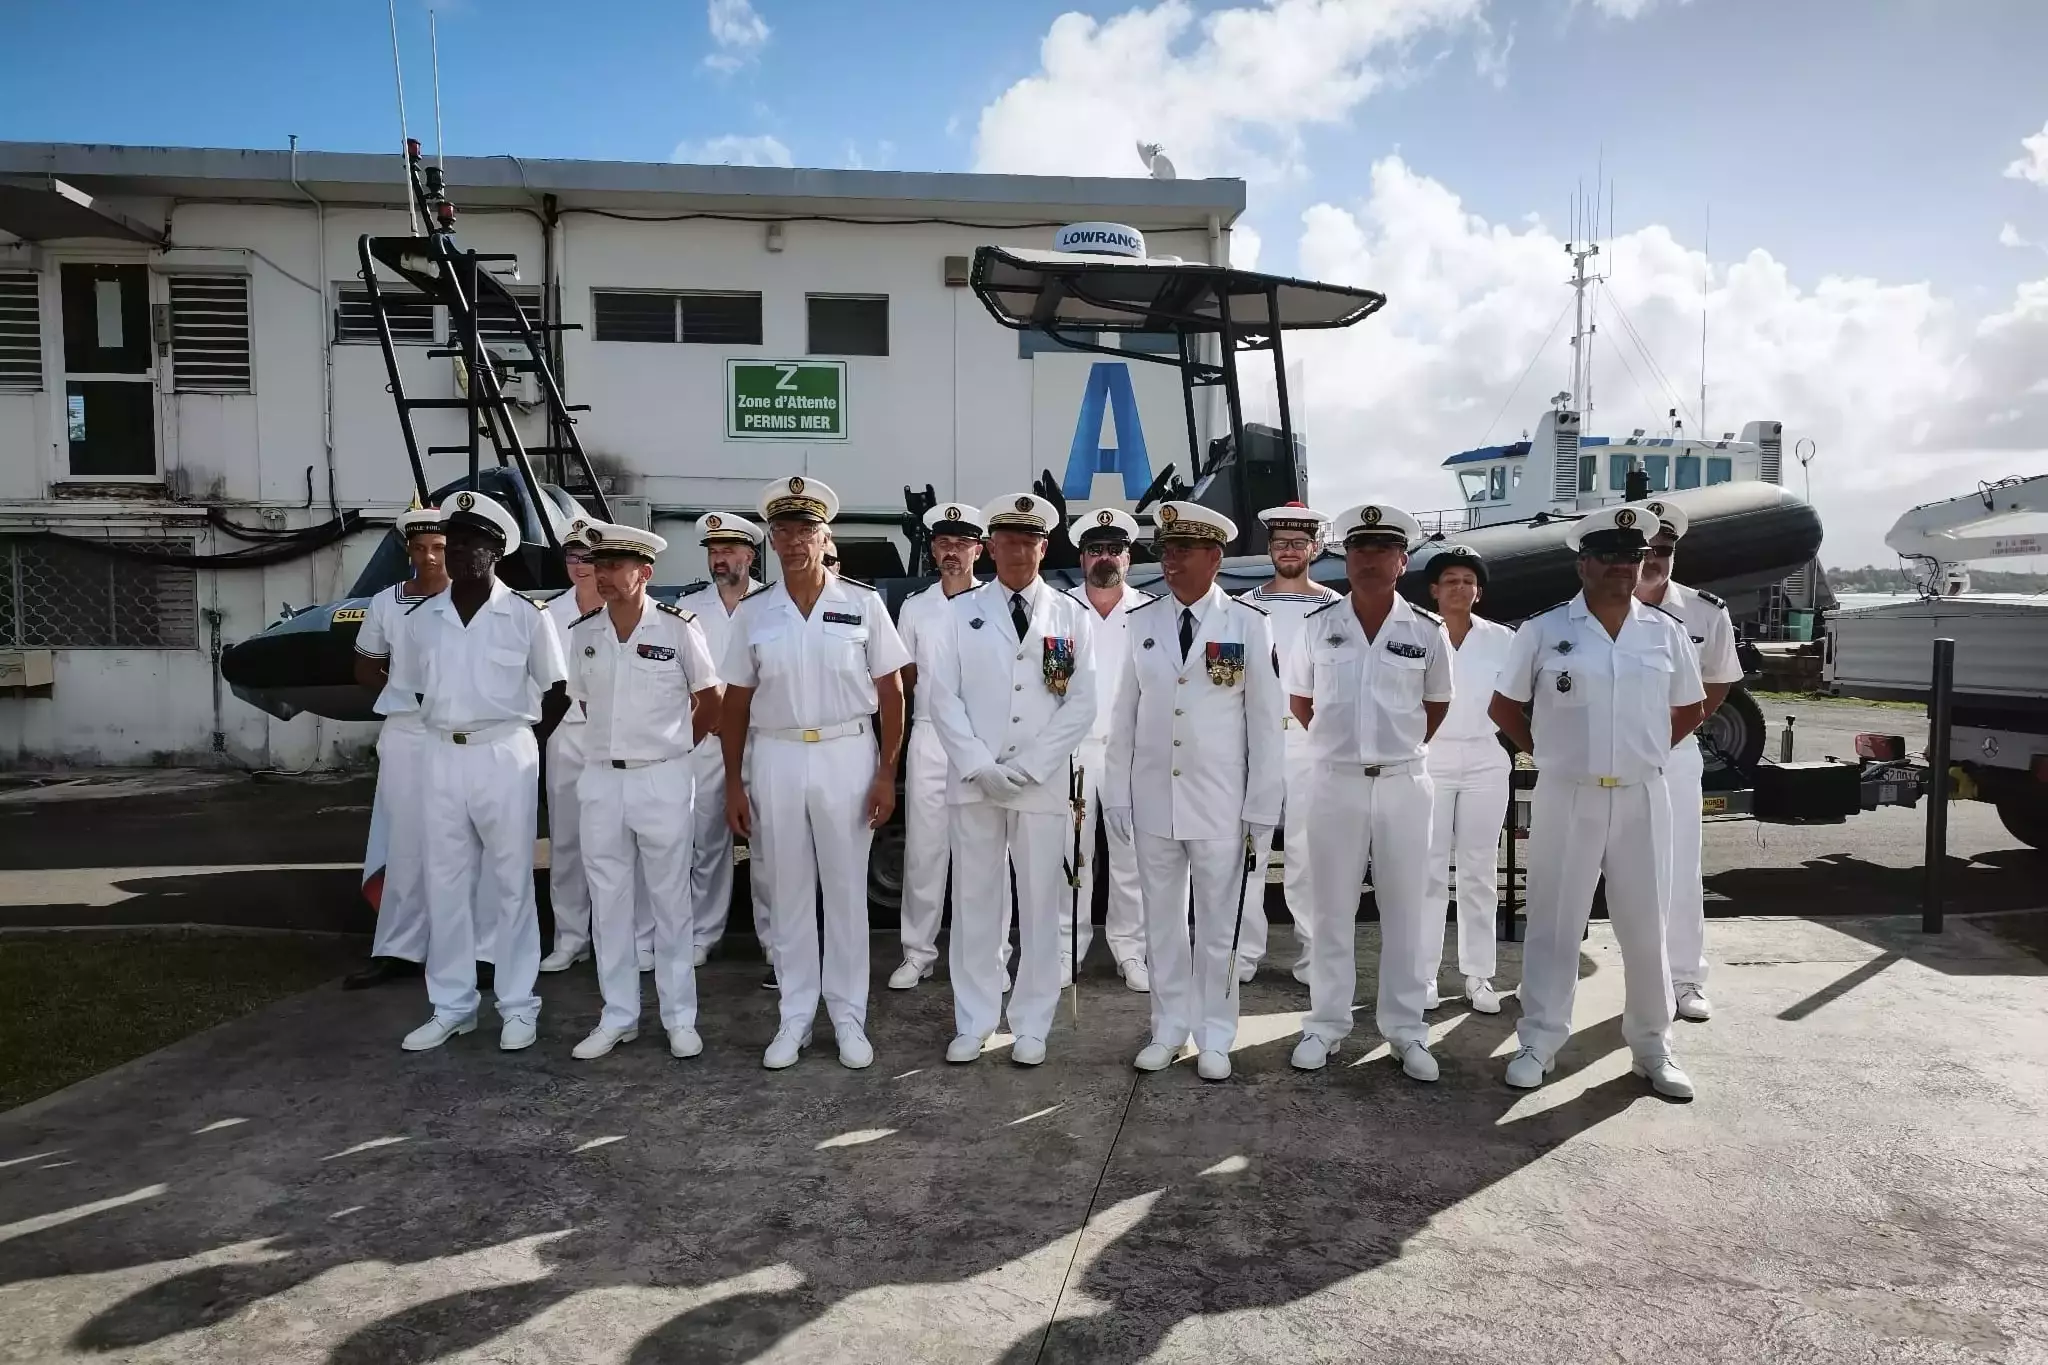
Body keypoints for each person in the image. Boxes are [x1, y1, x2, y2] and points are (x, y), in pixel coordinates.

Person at [1488, 503, 1707, 1099]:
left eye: (1632, 557)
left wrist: (1645, 751)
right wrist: (1549, 753)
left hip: (1642, 795)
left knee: (1647, 925)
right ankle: (1539, 1039)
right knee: (1554, 924)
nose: (1621, 567)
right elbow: (1503, 706)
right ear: (1582, 563)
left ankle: (1653, 1045)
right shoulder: (1543, 631)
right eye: (1608, 556)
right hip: (1568, 794)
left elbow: (1691, 707)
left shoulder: (1665, 632)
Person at [721, 476, 909, 1071]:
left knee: (847, 891)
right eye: (783, 531)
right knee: (788, 890)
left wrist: (886, 771)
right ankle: (795, 1016)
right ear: (771, 540)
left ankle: (849, 1016)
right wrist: (733, 782)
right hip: (776, 755)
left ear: (825, 537)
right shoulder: (755, 612)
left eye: (806, 530)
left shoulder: (862, 603)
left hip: (845, 752)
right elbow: (735, 702)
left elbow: (892, 693)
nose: (794, 541)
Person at [1103, 502, 1282, 1081]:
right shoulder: (1143, 621)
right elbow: (1125, 714)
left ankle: (1216, 1034)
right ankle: (1167, 1027)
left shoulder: (1248, 623)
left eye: (1183, 551)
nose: (1170, 561)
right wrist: (1116, 792)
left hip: (1221, 803)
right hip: (1155, 799)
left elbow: (1265, 723)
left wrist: (1262, 805)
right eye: (1166, 551)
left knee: (1218, 928)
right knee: (1162, 925)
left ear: (1215, 557)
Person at [924, 493, 1097, 1067]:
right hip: (975, 781)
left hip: (1039, 784)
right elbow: (942, 697)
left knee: (1041, 905)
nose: (1018, 551)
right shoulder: (958, 613)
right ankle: (973, 1021)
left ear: (1044, 548)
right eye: (1008, 541)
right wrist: (979, 765)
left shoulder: (1071, 615)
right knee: (975, 904)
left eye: (1029, 541)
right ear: (991, 548)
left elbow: (1081, 703)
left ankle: (1032, 1024)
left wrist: (1030, 766)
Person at [392, 490, 568, 1053]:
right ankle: (452, 1005)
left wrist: (524, 741)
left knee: (511, 883)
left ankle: (517, 1005)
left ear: (498, 552)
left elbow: (558, 691)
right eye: (455, 543)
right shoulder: (423, 619)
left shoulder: (526, 616)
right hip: (442, 753)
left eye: (475, 544)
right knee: (445, 883)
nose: (462, 553)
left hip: (504, 752)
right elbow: (415, 686)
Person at [1285, 503, 1452, 1083]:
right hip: (1335, 782)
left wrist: (1395, 747)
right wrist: (1345, 748)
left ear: (1402, 561)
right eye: (1359, 549)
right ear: (1346, 558)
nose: (1369, 559)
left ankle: (1405, 1029)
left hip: (1404, 783)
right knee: (1331, 909)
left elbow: (1436, 705)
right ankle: (1326, 1025)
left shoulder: (1426, 630)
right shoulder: (1318, 626)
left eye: (1382, 549)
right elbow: (1301, 700)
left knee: (1406, 910)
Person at [564, 522, 723, 1061]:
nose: (603, 575)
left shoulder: (677, 628)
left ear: (645, 572)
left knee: (670, 902)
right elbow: (585, 702)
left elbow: (711, 699)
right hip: (602, 778)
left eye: (615, 565)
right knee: (608, 902)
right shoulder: (584, 633)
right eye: (599, 565)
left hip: (661, 776)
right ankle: (618, 1015)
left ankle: (680, 1017)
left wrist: (674, 748)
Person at [1635, 498, 1742, 1024]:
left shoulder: (1705, 612)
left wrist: (1679, 729)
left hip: (1673, 754)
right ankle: (1565, 978)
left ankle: (1683, 977)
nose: (1653, 559)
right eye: (1644, 549)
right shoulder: (1593, 606)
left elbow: (1718, 679)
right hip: (1605, 753)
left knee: (1679, 866)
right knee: (1587, 866)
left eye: (1664, 549)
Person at [889, 500, 994, 991]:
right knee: (924, 851)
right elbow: (906, 678)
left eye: (962, 544)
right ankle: (918, 953)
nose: (952, 552)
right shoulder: (916, 607)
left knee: (983, 852)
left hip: (980, 737)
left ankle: (988, 955)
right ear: (933, 550)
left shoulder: (995, 602)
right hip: (930, 735)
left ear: (979, 550)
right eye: (944, 543)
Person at [1235, 502, 1340, 984]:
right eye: (1281, 544)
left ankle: (1313, 953)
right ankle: (1242, 951)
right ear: (1270, 549)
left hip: (1309, 742)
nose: (1289, 551)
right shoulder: (1243, 607)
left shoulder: (1336, 609)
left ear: (1314, 548)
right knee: (1246, 853)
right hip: (1254, 743)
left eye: (1299, 543)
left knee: (1308, 855)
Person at [345, 504, 447, 989]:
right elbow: (365, 666)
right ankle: (399, 948)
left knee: (458, 840)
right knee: (402, 841)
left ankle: (461, 948)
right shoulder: (387, 602)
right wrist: (403, 688)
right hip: (407, 730)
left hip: (459, 731)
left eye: (439, 547)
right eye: (420, 547)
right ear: (409, 550)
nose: (429, 557)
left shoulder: (474, 600)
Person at [1420, 545, 1518, 1014]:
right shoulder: (1418, 633)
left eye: (1468, 581)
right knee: (1428, 871)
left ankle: (1479, 975)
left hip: (1484, 756)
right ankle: (1423, 975)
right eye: (1450, 581)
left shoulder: (1503, 640)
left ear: (1478, 592)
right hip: (1431, 756)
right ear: (1434, 590)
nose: (1459, 588)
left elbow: (1519, 699)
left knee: (1479, 870)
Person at [676, 512, 773, 972]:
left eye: (729, 551)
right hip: (711, 739)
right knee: (707, 842)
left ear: (749, 556)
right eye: (714, 551)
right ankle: (703, 933)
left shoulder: (773, 602)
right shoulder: (689, 607)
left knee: (768, 843)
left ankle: (773, 937)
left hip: (764, 736)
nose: (720, 559)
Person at [1064, 506, 1151, 993]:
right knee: (1070, 856)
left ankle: (1130, 951)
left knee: (1131, 857)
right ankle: (1066, 949)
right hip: (1072, 751)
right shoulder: (1057, 610)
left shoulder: (1148, 611)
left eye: (1114, 549)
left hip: (1130, 753)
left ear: (1128, 557)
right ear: (1082, 558)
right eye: (1095, 549)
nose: (1105, 557)